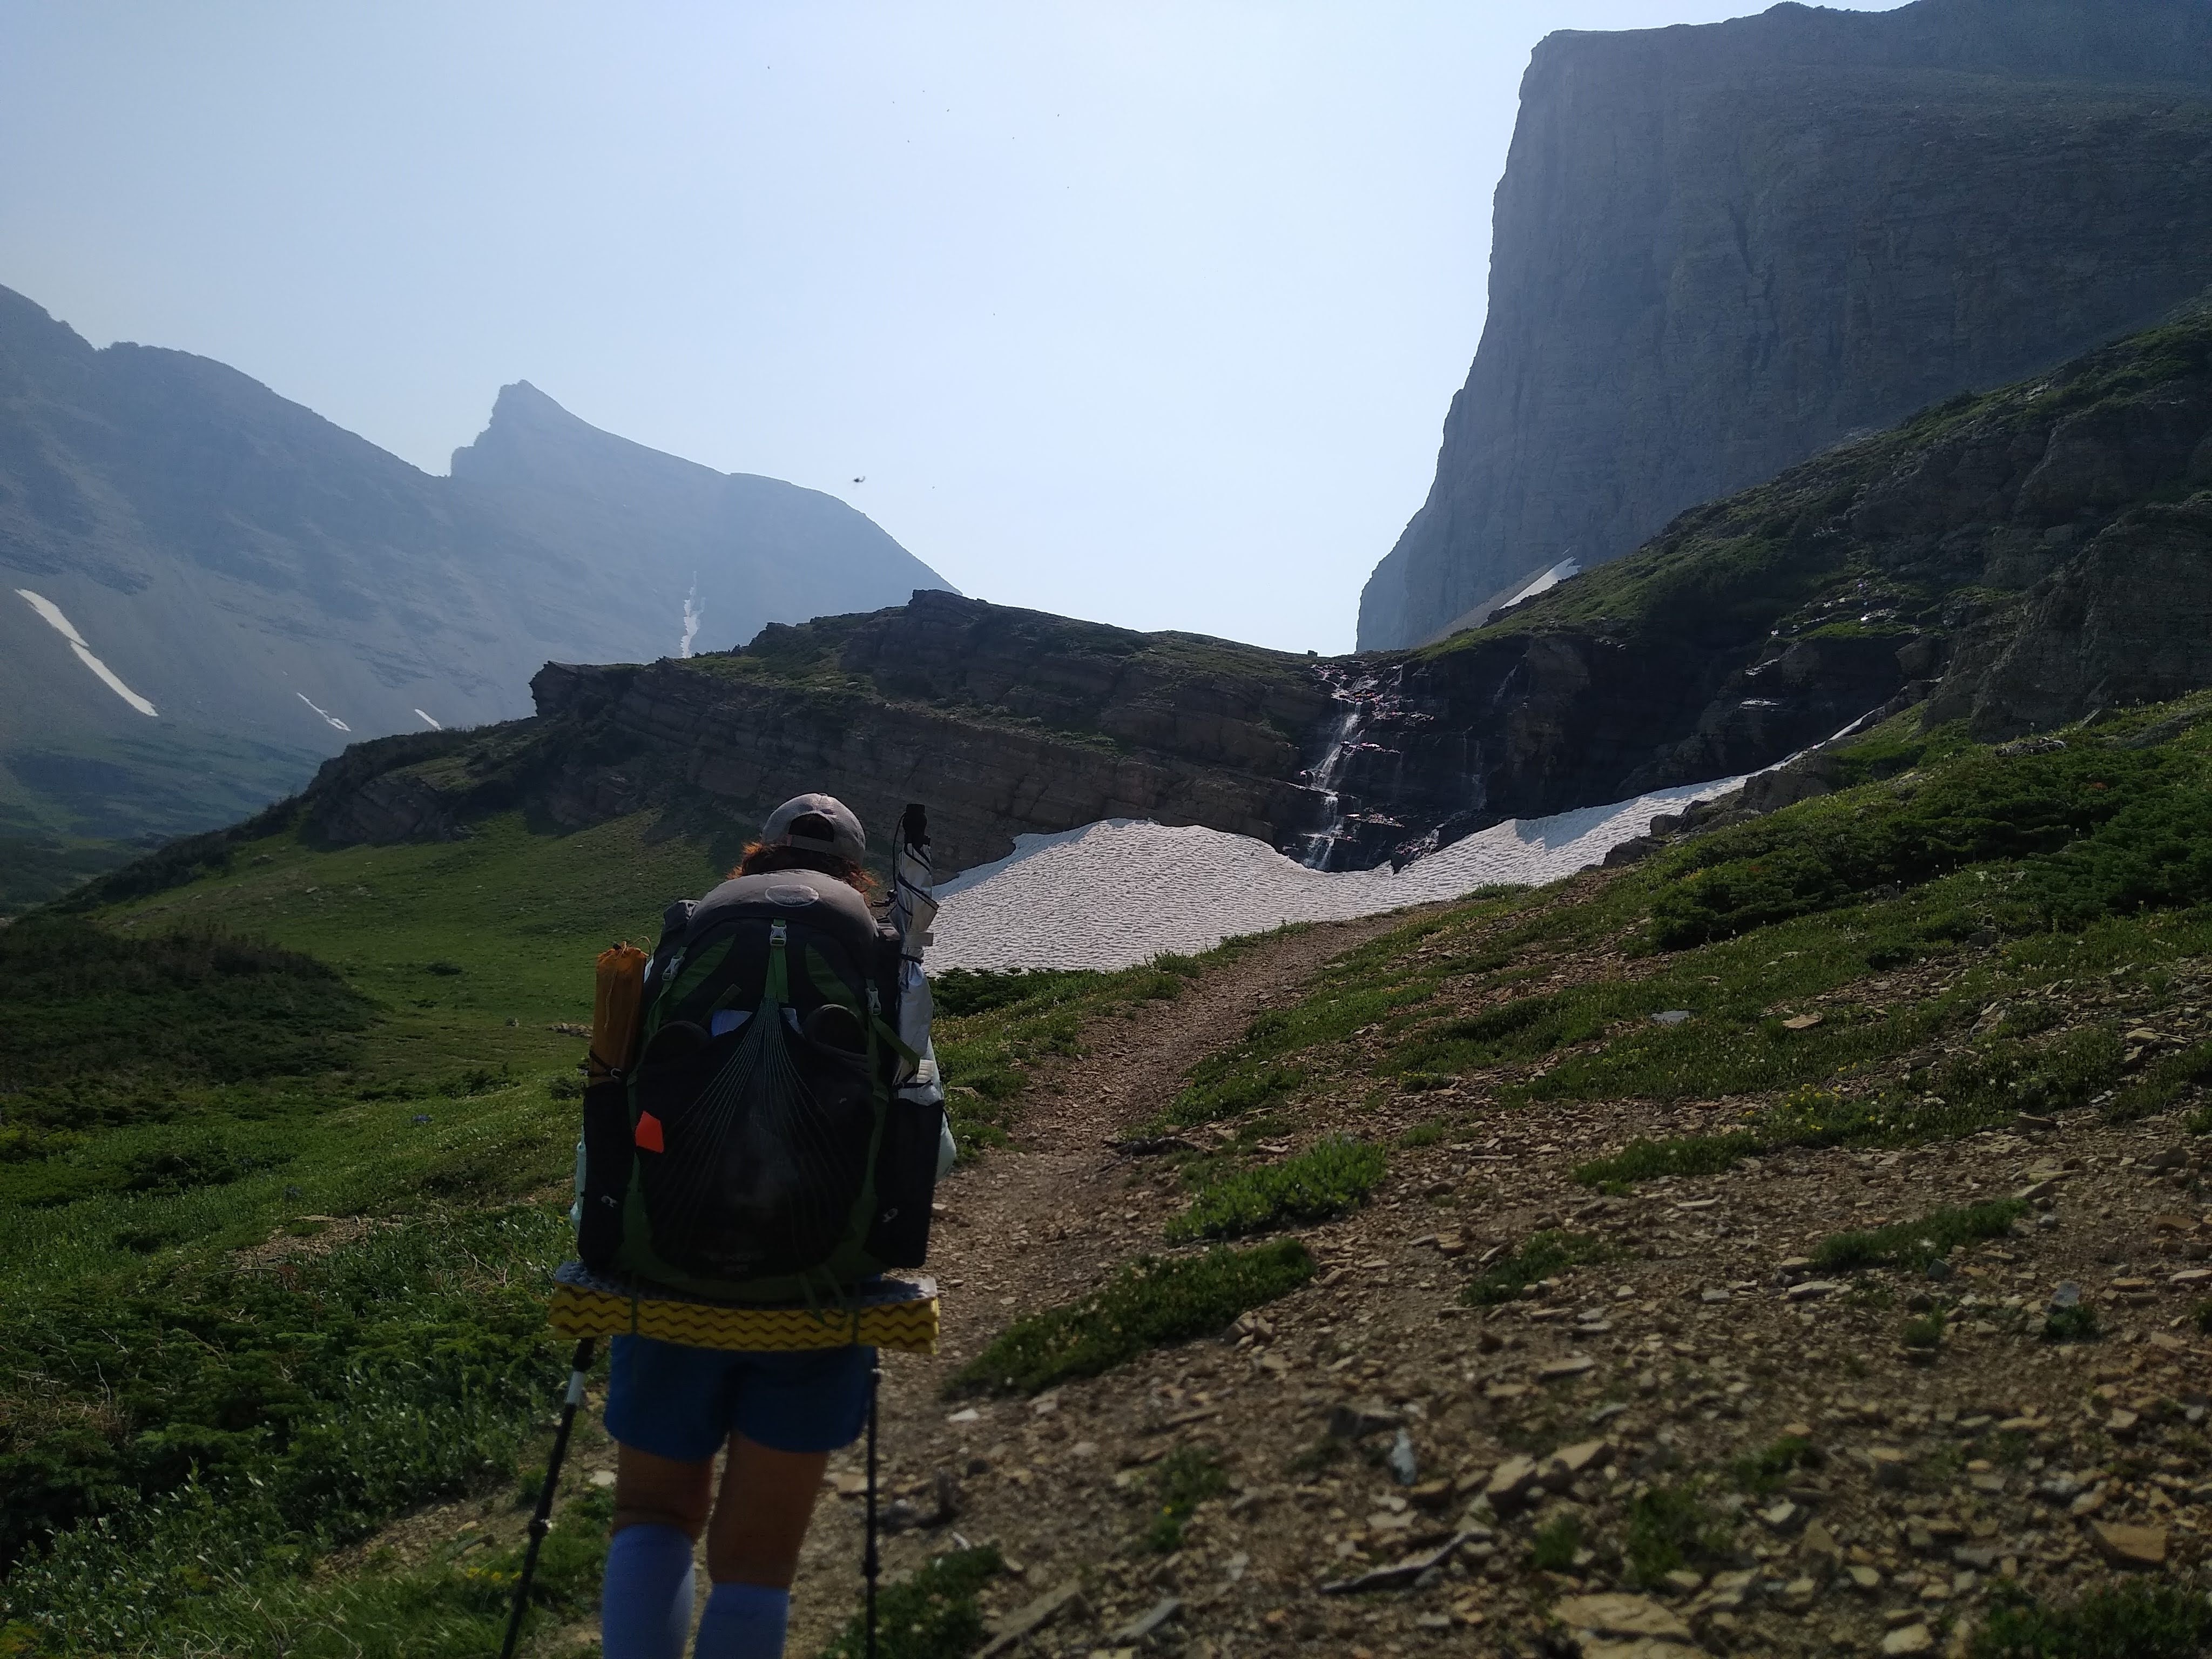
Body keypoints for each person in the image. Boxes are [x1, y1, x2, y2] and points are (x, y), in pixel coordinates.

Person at [597, 794, 950, 1659]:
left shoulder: (693, 938)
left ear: (756, 857)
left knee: (652, 1513)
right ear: (855, 874)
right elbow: (928, 1147)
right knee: (758, 1564)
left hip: (670, 1270)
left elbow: (620, 1101)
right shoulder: (876, 958)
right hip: (817, 1287)